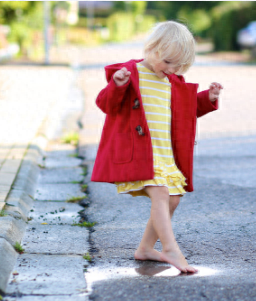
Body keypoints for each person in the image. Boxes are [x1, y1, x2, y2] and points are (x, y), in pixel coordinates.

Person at [91, 21, 223, 273]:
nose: (171, 70)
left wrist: (208, 98)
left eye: (178, 66)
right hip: (140, 153)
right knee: (161, 194)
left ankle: (145, 248)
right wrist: (116, 86)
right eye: (167, 62)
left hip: (164, 154)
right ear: (152, 49)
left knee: (173, 198)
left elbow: (187, 110)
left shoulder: (172, 81)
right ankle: (171, 248)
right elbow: (105, 104)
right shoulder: (130, 73)